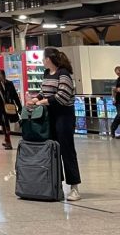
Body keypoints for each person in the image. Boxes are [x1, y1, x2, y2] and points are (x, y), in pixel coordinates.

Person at [30, 47, 82, 201]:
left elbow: (63, 96)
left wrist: (43, 101)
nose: (42, 60)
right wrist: (35, 99)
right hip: (50, 115)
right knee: (52, 150)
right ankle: (56, 184)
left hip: (64, 116)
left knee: (67, 150)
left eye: (43, 58)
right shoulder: (46, 74)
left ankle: (74, 187)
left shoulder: (64, 74)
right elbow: (44, 91)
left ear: (49, 59)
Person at [0, 69, 21, 150]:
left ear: (3, 75)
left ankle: (7, 140)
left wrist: (19, 106)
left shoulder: (9, 84)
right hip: (0, 108)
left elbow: (15, 95)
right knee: (4, 123)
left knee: (7, 124)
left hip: (9, 107)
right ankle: (8, 141)